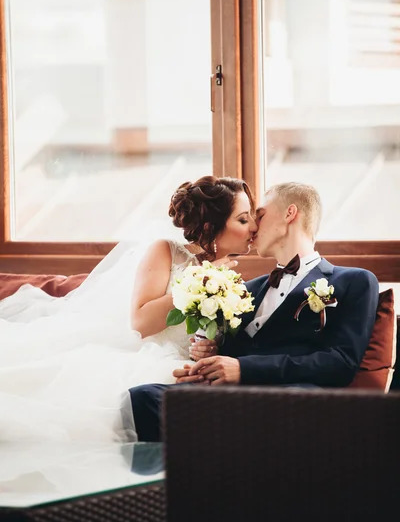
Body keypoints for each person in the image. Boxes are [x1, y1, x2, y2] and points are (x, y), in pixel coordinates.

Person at [0, 175, 256, 442]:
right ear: (210, 227)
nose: (253, 226)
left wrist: (208, 346)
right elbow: (141, 323)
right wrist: (198, 281)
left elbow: (211, 333)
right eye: (242, 219)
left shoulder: (233, 276)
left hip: (190, 366)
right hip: (145, 354)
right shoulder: (167, 251)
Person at [129, 182, 380, 441]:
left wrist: (245, 369)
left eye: (259, 215)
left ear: (289, 214)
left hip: (287, 395)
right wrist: (205, 363)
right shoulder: (247, 289)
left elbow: (341, 362)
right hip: (228, 396)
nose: (253, 226)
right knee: (143, 397)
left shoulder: (354, 280)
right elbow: (228, 351)